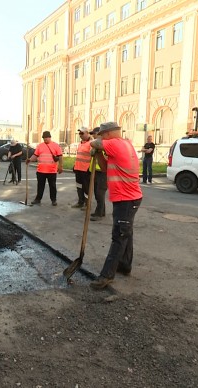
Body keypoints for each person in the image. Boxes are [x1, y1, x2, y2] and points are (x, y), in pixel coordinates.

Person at [88, 121, 143, 290]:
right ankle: (125, 265)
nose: (100, 138)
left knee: (119, 236)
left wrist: (96, 145)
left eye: (102, 135)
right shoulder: (125, 144)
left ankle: (106, 275)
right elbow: (105, 168)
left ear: (109, 134)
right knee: (126, 233)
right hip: (128, 198)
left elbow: (94, 142)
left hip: (126, 199)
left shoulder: (115, 143)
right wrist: (97, 155)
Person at [27, 131, 63, 206]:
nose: (45, 139)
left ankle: (53, 200)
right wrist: (30, 159)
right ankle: (38, 199)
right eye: (43, 138)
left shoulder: (56, 145)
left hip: (51, 170)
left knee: (52, 186)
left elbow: (60, 156)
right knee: (40, 186)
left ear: (49, 137)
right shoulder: (40, 146)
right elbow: (35, 155)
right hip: (41, 170)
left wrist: (60, 166)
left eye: (46, 138)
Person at [89, 127, 108, 221]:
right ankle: (100, 211)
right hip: (96, 171)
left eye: (94, 133)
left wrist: (98, 151)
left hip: (103, 172)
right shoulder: (97, 144)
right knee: (97, 193)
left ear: (100, 134)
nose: (93, 135)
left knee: (100, 193)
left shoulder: (104, 144)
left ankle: (99, 213)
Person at [71, 128, 92, 209]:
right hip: (78, 169)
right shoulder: (80, 144)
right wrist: (75, 166)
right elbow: (79, 156)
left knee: (86, 188)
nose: (80, 135)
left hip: (86, 170)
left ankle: (87, 204)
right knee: (79, 186)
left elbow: (92, 157)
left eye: (82, 133)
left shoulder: (91, 143)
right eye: (79, 133)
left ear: (87, 133)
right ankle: (80, 202)